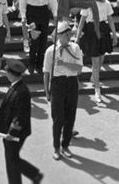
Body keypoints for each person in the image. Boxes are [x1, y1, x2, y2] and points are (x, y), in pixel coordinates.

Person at [43, 20, 84, 160]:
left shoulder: (75, 48)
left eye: (69, 34)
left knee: (70, 117)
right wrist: (47, 91)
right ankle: (56, 147)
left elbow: (78, 69)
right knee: (58, 118)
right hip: (57, 84)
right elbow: (46, 72)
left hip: (72, 83)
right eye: (65, 34)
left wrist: (64, 64)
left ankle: (65, 145)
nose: (68, 37)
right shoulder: (51, 51)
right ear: (58, 36)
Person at [0, 58, 43, 184]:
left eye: (7, 72)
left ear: (12, 74)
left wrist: (11, 133)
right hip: (11, 132)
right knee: (13, 159)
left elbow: (20, 116)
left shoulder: (21, 92)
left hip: (15, 134)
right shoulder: (16, 86)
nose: (6, 74)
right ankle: (34, 174)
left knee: (11, 161)